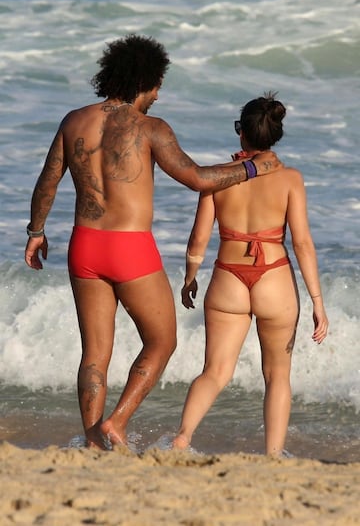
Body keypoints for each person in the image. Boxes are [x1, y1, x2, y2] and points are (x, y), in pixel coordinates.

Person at [24, 35, 282, 450]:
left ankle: (93, 441)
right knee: (162, 341)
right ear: (145, 80)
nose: (158, 94)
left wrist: (36, 232)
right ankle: (117, 423)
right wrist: (255, 167)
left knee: (94, 353)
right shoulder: (150, 128)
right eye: (158, 85)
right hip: (130, 248)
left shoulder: (73, 120)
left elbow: (47, 181)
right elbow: (196, 178)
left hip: (84, 245)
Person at [173, 92, 329, 456]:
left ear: (240, 132)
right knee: (277, 377)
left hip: (228, 277)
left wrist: (190, 277)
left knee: (214, 372)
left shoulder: (218, 178)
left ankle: (181, 438)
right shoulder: (291, 179)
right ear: (275, 134)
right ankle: (273, 456)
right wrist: (317, 302)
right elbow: (303, 244)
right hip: (274, 276)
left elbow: (198, 238)